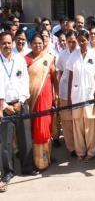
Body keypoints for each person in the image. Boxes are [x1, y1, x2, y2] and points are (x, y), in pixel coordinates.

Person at [0, 32, 38, 192]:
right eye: (4, 43)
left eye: (9, 43)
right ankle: (8, 172)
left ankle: (27, 167)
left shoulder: (19, 60)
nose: (7, 46)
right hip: (4, 106)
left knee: (25, 138)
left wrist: (21, 101)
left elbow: (25, 82)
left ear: (13, 44)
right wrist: (4, 106)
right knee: (6, 142)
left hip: (20, 104)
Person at [25, 34, 58, 171]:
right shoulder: (25, 60)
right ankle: (39, 161)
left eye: (40, 43)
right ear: (30, 44)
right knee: (37, 128)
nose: (38, 45)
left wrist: (56, 95)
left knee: (47, 128)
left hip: (47, 99)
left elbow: (54, 78)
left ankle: (48, 156)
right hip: (32, 99)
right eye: (35, 43)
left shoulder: (49, 58)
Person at [67, 30, 95, 161]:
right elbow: (70, 76)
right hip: (76, 95)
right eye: (79, 40)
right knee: (78, 124)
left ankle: (92, 152)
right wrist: (70, 97)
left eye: (84, 40)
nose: (81, 43)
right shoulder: (73, 55)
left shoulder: (94, 55)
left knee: (90, 124)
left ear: (88, 40)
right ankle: (80, 151)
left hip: (90, 95)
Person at [56, 30, 78, 157]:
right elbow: (59, 73)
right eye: (69, 41)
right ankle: (71, 147)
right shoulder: (62, 55)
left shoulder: (81, 52)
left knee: (78, 120)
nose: (71, 44)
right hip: (64, 91)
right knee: (67, 121)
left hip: (78, 92)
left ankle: (80, 145)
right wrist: (59, 92)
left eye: (73, 41)